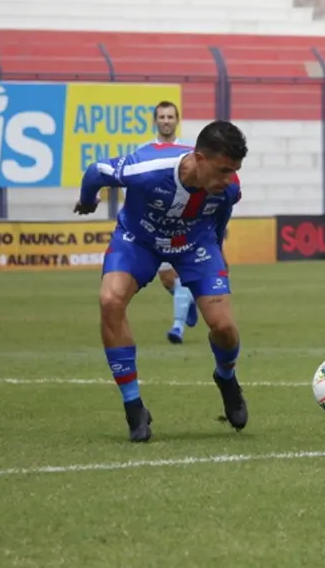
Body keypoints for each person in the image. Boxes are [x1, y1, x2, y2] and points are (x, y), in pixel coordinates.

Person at [75, 120, 248, 442]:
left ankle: (226, 377)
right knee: (110, 301)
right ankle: (133, 406)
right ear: (199, 158)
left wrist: (218, 251)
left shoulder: (229, 188)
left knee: (223, 327)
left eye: (234, 170)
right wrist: (88, 200)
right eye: (223, 170)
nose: (229, 179)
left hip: (195, 245)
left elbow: (221, 217)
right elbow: (96, 171)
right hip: (138, 240)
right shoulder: (148, 169)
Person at [140, 101, 200, 345]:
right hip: (156, 225)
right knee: (167, 279)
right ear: (155, 121)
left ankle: (177, 327)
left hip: (185, 224)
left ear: (177, 120)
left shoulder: (188, 152)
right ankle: (188, 302)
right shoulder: (144, 151)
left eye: (170, 116)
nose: (166, 120)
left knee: (183, 274)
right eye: (161, 117)